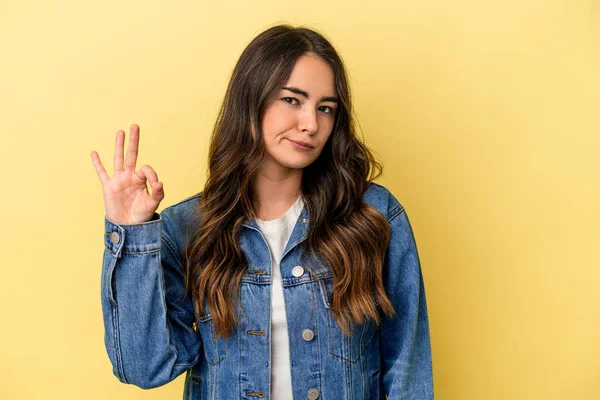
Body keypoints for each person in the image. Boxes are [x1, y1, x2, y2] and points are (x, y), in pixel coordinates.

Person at [91, 24, 434, 400]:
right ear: (252, 100)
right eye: (292, 100)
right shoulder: (189, 229)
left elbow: (408, 366)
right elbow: (146, 368)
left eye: (325, 109)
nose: (310, 124)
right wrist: (131, 234)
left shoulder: (374, 215)